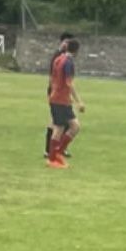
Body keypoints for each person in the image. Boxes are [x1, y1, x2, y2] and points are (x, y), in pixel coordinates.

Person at [46, 38, 85, 169]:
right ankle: (53, 158)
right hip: (60, 100)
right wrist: (79, 101)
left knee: (74, 126)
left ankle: (57, 154)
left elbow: (53, 78)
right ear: (77, 51)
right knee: (60, 128)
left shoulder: (58, 59)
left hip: (58, 98)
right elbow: (69, 83)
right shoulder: (68, 63)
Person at [44, 32, 74, 159]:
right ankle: (51, 150)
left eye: (69, 43)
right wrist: (52, 90)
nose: (67, 44)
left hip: (61, 94)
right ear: (61, 42)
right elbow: (52, 76)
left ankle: (57, 149)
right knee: (57, 124)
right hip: (57, 93)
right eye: (65, 42)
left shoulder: (65, 57)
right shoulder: (58, 57)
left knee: (60, 123)